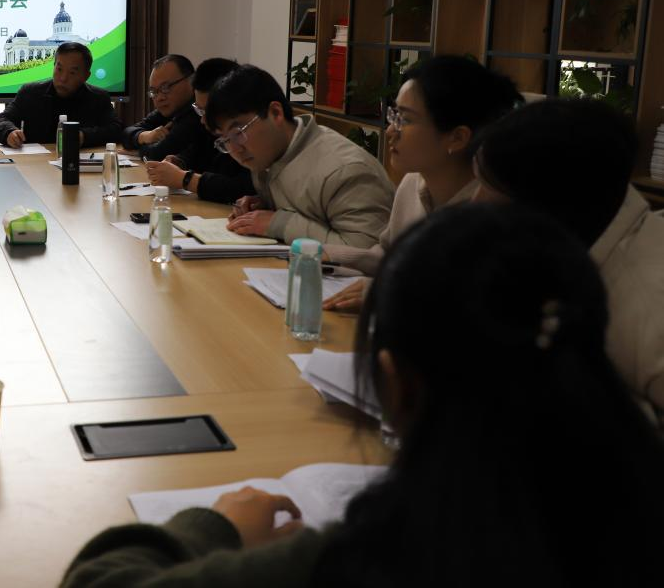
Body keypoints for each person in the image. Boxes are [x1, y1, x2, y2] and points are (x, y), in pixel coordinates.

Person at [61, 204, 664, 587]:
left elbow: (98, 578)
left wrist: (212, 527)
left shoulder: (390, 554)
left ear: (393, 383)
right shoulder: (628, 509)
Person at [473, 98, 664, 424]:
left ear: (546, 204)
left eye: (488, 187)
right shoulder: (578, 241)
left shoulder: (649, 308)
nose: (475, 202)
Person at [323, 55, 520, 312]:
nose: (390, 131)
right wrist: (325, 254)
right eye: (393, 114)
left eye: (405, 119)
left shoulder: (490, 211)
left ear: (457, 138)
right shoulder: (412, 183)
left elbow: (472, 303)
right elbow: (389, 255)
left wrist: (391, 291)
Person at [204, 65, 393, 248]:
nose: (235, 149)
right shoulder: (273, 155)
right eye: (225, 140)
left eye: (238, 133)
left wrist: (279, 223)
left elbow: (365, 252)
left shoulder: (346, 169)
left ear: (276, 113)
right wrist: (264, 206)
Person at [144, 57, 256, 203]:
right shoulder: (208, 127)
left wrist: (185, 179)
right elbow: (198, 152)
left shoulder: (251, 134)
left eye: (207, 111)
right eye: (199, 110)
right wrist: (180, 162)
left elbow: (245, 187)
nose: (203, 119)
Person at [0, 41, 123, 148]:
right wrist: (9, 132)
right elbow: (3, 119)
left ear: (86, 76)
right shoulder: (30, 93)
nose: (63, 78)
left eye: (72, 72)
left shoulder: (98, 97)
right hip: (36, 163)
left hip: (79, 163)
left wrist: (83, 136)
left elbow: (116, 129)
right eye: (59, 69)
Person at [122, 54, 200, 161]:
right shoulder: (169, 109)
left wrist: (140, 149)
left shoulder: (198, 112)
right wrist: (146, 136)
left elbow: (157, 154)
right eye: (153, 91)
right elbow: (126, 133)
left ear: (191, 81)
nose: (159, 98)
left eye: (165, 87)